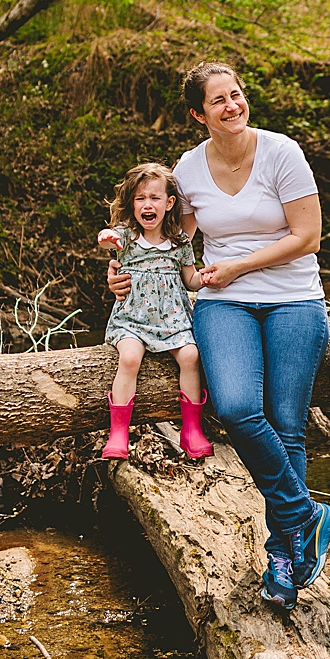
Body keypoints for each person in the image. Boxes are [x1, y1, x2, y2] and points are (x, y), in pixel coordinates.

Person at [108, 60, 330, 611]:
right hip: (223, 301)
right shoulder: (187, 169)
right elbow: (170, 240)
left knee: (287, 423)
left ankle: (283, 557)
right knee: (235, 407)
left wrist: (239, 265)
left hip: (294, 299)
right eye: (218, 100)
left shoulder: (282, 153)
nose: (233, 105)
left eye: (237, 94)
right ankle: (305, 513)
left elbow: (309, 237)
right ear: (197, 114)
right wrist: (126, 271)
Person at [94, 161, 211, 462]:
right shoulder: (127, 238)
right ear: (132, 203)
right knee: (130, 357)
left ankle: (192, 430)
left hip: (173, 320)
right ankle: (118, 432)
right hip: (132, 320)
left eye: (155, 198)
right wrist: (106, 239)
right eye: (140, 198)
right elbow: (107, 238)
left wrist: (207, 277)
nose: (148, 204)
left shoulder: (179, 242)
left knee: (190, 356)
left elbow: (190, 279)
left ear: (169, 203)